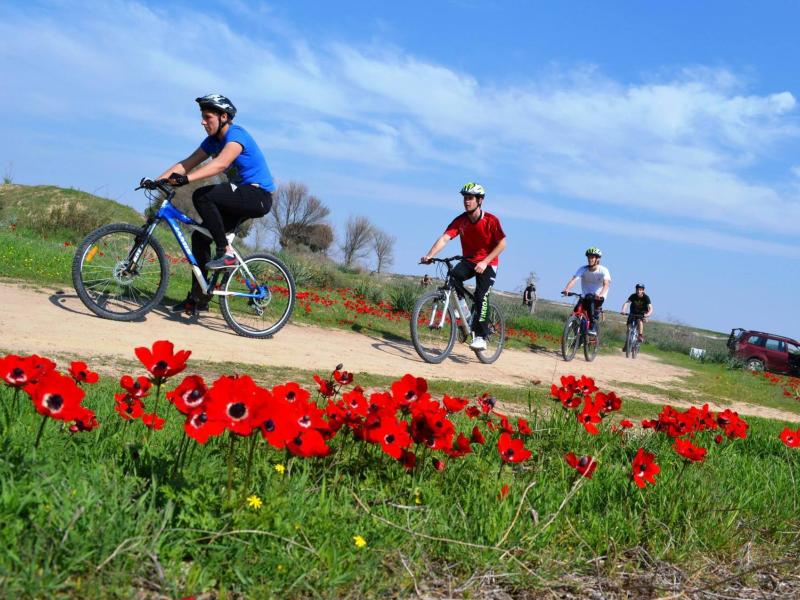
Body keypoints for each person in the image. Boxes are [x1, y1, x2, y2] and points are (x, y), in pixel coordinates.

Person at [155, 94, 276, 314]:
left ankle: (225, 253)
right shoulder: (212, 142)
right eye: (202, 117)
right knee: (200, 237)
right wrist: (157, 180)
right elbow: (187, 163)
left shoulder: (236, 135)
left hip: (257, 196)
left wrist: (187, 179)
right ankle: (198, 300)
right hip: (241, 196)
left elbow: (220, 165)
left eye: (207, 117)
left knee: (202, 195)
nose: (202, 122)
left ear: (223, 117)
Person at [420, 182, 507, 351]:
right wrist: (430, 255)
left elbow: (502, 244)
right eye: (465, 198)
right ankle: (464, 312)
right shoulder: (460, 221)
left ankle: (481, 337)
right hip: (470, 260)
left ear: (480, 200)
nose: (466, 201)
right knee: (453, 276)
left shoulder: (490, 220)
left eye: (470, 198)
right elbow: (445, 238)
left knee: (481, 296)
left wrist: (485, 261)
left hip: (489, 262)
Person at [561, 247, 611, 336]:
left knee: (591, 300)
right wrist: (567, 289)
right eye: (589, 257)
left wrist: (601, 294)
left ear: (597, 259)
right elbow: (574, 280)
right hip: (585, 295)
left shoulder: (603, 270)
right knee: (576, 310)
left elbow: (606, 284)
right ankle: (577, 335)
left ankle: (592, 327)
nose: (590, 259)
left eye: (592, 257)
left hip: (598, 296)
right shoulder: (583, 269)